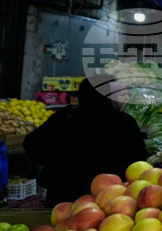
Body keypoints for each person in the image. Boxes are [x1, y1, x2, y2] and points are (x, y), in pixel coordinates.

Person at [24, 77, 147, 206]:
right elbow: (138, 163)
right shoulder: (125, 122)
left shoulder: (66, 115)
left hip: (63, 198)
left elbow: (32, 146)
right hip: (110, 200)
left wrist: (56, 162)